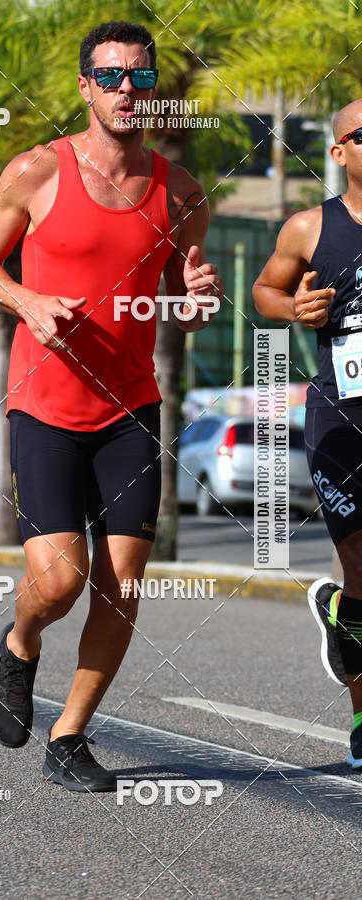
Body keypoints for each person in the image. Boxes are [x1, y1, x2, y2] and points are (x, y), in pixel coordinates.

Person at [0, 20, 222, 792]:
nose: (125, 91)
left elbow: (182, 302)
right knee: (59, 583)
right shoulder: (38, 172)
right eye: (109, 77)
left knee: (124, 580)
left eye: (139, 79)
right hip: (44, 405)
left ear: (154, 91)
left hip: (131, 409)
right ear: (86, 87)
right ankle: (19, 645)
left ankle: (70, 736)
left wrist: (198, 304)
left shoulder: (182, 193)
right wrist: (26, 298)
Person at [253, 99, 362, 769]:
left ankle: (340, 615)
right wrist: (294, 306)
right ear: (341, 151)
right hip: (343, 419)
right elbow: (266, 289)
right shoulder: (310, 226)